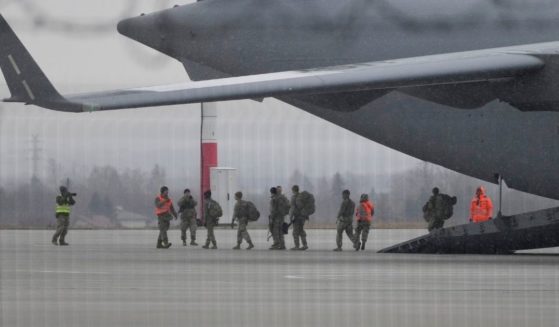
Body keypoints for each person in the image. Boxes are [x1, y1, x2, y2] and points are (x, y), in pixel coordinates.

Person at [289, 185, 313, 251]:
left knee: (295, 232)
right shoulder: (302, 196)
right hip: (303, 217)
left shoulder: (294, 197)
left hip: (297, 217)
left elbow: (292, 208)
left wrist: (290, 217)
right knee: (301, 230)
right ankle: (305, 245)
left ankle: (297, 246)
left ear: (293, 190)